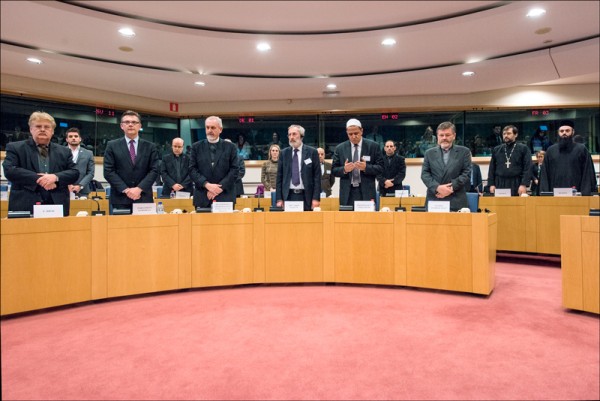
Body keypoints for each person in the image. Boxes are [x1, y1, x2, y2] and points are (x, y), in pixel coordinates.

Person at [2, 111, 79, 215]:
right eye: (38, 126)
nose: (42, 129)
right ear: (31, 129)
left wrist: (55, 177)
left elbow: (74, 172)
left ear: (52, 131)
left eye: (47, 127)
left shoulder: (64, 151)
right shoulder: (15, 147)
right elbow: (9, 170)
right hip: (24, 203)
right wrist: (41, 179)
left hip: (57, 205)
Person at [103, 110, 160, 211]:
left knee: (144, 227)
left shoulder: (150, 147)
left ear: (139, 126)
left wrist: (139, 189)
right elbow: (108, 171)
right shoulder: (112, 145)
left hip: (143, 197)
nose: (130, 125)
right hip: (120, 198)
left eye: (134, 122)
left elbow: (154, 170)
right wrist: (126, 190)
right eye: (127, 122)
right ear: (122, 126)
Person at [332, 118, 384, 207]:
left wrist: (366, 167)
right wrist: (344, 169)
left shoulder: (373, 146)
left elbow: (381, 168)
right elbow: (334, 170)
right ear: (347, 133)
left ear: (362, 131)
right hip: (347, 193)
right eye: (350, 134)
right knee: (346, 220)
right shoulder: (340, 148)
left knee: (367, 219)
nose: (353, 136)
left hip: (367, 191)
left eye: (356, 133)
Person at [189, 116, 239, 208]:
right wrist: (207, 185)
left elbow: (235, 170)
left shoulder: (230, 147)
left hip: (225, 196)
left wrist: (219, 188)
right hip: (202, 196)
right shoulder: (196, 147)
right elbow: (192, 170)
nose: (209, 130)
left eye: (213, 127)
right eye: (207, 127)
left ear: (220, 129)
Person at [421, 121, 471, 211]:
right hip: (435, 199)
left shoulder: (464, 152)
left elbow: (466, 173)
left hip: (456, 200)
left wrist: (450, 188)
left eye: (447, 135)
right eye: (441, 135)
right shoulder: (429, 153)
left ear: (454, 136)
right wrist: (438, 188)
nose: (444, 138)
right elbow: (425, 174)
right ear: (437, 136)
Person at [540, 120, 596, 195]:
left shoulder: (581, 149)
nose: (564, 133)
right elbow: (544, 175)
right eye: (561, 131)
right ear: (558, 133)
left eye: (567, 130)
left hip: (577, 194)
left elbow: (587, 174)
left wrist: (585, 194)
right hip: (554, 195)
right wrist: (545, 193)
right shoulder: (551, 151)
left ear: (573, 132)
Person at [275, 124, 321, 211]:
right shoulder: (284, 153)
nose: (291, 137)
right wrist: (279, 199)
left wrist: (316, 198)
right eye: (289, 134)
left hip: (307, 196)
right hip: (288, 195)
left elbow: (317, 177)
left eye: (294, 134)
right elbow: (279, 178)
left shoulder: (312, 152)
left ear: (301, 136)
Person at [487, 125, 532, 196]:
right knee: (500, 206)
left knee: (517, 206)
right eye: (504, 134)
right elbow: (492, 168)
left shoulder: (523, 149)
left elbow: (527, 167)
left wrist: (524, 184)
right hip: (500, 182)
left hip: (517, 182)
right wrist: (491, 184)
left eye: (508, 133)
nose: (506, 136)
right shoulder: (497, 149)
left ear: (516, 134)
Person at [65, 127, 95, 197]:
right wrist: (67, 184)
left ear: (80, 139)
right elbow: (58, 171)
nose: (73, 138)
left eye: (76, 136)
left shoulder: (88, 153)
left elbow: (90, 173)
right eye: (70, 136)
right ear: (66, 139)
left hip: (83, 191)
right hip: (65, 189)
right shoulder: (60, 152)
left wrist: (80, 186)